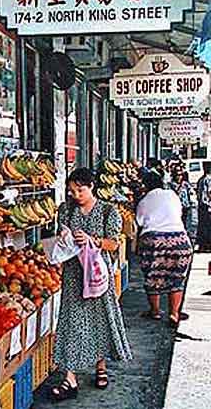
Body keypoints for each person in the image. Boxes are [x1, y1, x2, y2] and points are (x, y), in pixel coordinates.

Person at [52, 168, 132, 401]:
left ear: (92, 187)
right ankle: (70, 377)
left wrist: (93, 240)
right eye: (71, 190)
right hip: (74, 274)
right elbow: (62, 237)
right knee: (71, 322)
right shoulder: (65, 210)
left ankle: (101, 367)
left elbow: (113, 244)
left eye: (80, 189)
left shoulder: (109, 211)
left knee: (99, 320)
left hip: (98, 275)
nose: (75, 194)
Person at [136, 171, 193, 326]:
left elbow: (140, 222)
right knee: (177, 277)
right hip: (179, 239)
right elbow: (179, 213)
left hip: (153, 241)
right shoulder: (172, 195)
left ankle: (155, 311)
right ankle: (174, 313)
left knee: (153, 276)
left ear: (146, 186)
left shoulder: (144, 201)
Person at [197, 161, 211, 252]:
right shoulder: (207, 179)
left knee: (203, 225)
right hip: (206, 205)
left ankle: (204, 244)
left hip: (203, 205)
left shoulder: (202, 179)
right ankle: (206, 244)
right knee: (206, 226)